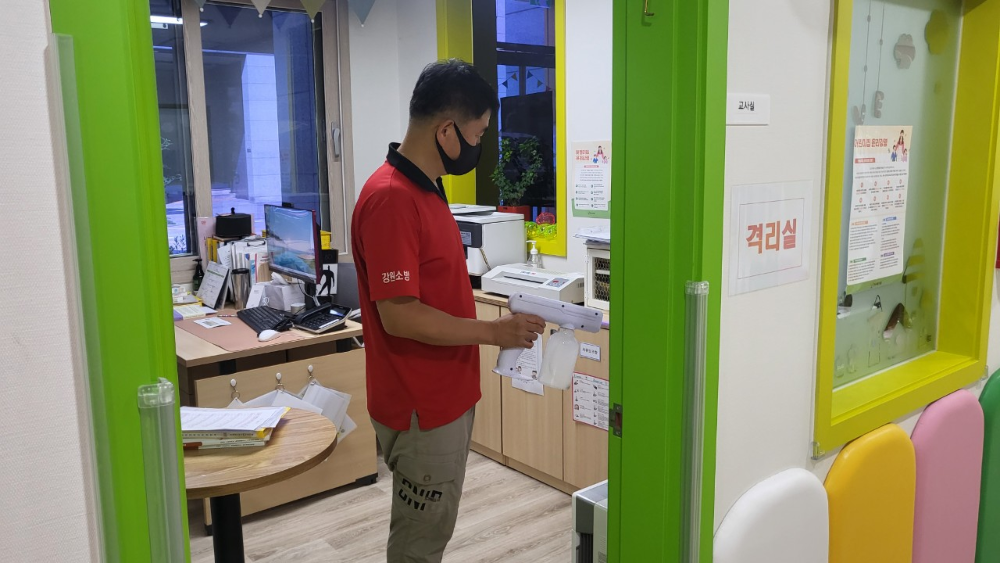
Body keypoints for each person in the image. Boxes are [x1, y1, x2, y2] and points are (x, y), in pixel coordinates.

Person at [351, 59, 546, 563]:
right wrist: (494, 332)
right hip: (421, 404)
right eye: (477, 134)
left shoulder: (426, 189)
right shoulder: (392, 199)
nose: (479, 146)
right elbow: (401, 315)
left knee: (433, 531)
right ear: (446, 131)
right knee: (420, 543)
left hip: (443, 397)